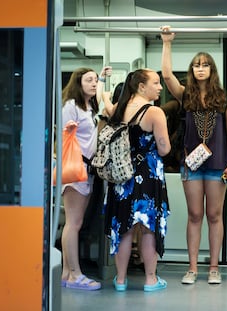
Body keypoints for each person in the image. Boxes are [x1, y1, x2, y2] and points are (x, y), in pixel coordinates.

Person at [161, 25, 227, 285]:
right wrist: (167, 43)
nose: (200, 68)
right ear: (192, 70)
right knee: (195, 215)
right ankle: (192, 268)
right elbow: (167, 74)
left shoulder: (224, 97)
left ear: (212, 69)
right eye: (196, 65)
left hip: (218, 165)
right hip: (191, 165)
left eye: (205, 64)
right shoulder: (185, 96)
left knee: (214, 216)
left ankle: (214, 267)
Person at [102, 68, 171, 292]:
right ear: (141, 86)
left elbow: (104, 106)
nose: (160, 87)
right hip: (148, 175)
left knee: (124, 228)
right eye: (156, 83)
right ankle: (150, 280)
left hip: (122, 176)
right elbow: (164, 148)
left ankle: (120, 280)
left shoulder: (117, 109)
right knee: (148, 228)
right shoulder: (154, 113)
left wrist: (102, 84)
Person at [60, 66, 112, 290]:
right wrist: (68, 130)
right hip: (75, 168)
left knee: (74, 223)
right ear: (78, 84)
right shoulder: (71, 106)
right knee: (74, 223)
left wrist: (100, 76)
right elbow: (64, 133)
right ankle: (75, 275)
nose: (94, 84)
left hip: (86, 169)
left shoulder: (89, 107)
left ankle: (65, 273)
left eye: (95, 80)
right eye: (89, 80)